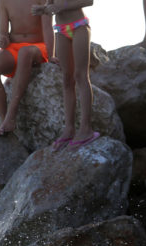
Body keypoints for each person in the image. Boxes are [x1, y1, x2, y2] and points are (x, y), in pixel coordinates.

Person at [33, 0, 99, 150]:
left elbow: (89, 1)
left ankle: (86, 128)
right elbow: (51, 4)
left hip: (79, 26)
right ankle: (69, 129)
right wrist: (43, 9)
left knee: (81, 76)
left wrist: (60, 7)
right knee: (67, 80)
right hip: (61, 30)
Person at [0, 0, 53, 136]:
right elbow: (3, 33)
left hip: (38, 46)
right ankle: (4, 119)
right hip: (14, 47)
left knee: (25, 52)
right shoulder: (4, 2)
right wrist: (2, 39)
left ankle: (11, 115)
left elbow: (48, 28)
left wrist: (52, 55)